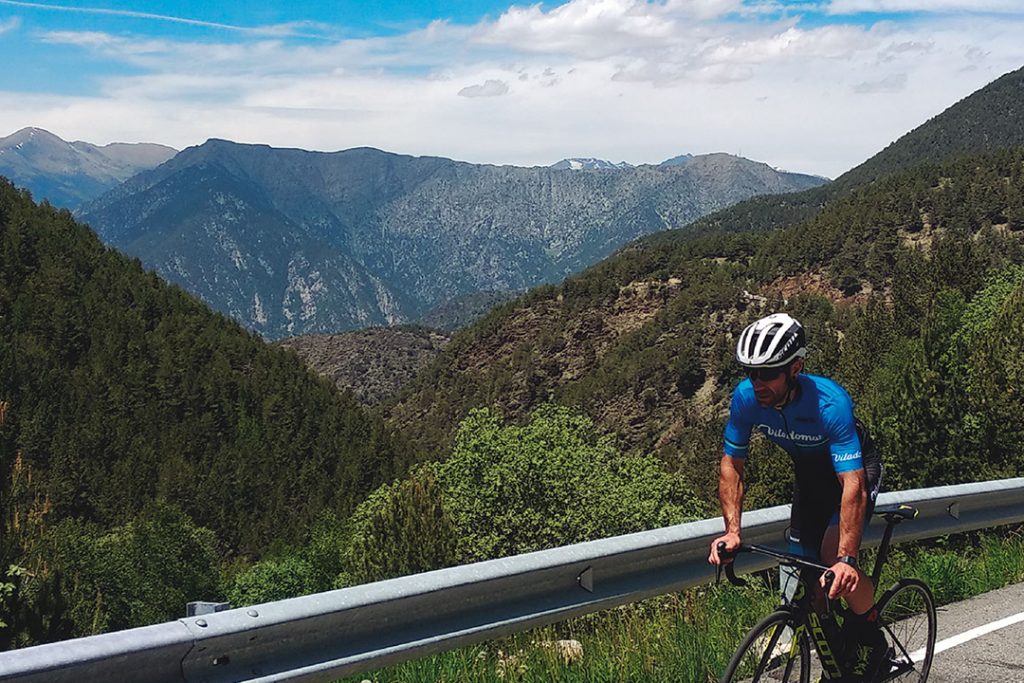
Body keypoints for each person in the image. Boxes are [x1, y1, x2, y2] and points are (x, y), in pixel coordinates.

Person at [707, 312, 886, 681]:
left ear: (795, 368)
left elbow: (852, 485)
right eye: (751, 372)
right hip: (809, 480)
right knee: (807, 580)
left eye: (768, 372)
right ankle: (838, 657)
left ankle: (872, 637)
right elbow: (731, 465)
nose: (758, 382)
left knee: (831, 560)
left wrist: (847, 559)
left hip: (852, 476)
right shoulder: (746, 399)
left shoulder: (829, 404)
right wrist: (733, 531)